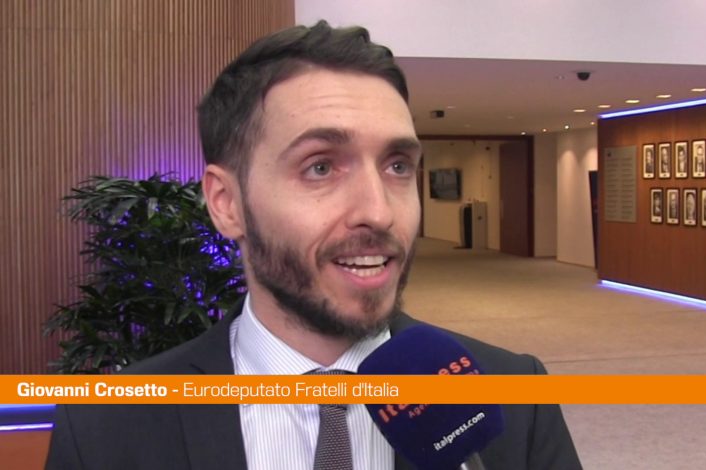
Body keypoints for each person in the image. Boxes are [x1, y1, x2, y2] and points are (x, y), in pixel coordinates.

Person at [45, 22, 581, 470]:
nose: (379, 211)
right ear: (227, 204)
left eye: (397, 166)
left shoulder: (515, 396)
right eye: (320, 167)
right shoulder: (106, 428)